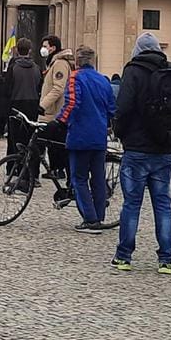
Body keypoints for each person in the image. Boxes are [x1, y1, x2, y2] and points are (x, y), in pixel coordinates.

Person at [112, 32, 171, 273]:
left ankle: (124, 256)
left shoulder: (133, 71)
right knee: (162, 204)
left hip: (136, 147)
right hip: (164, 148)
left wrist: (121, 134)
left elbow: (122, 108)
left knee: (132, 204)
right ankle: (166, 259)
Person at [58, 45, 117, 233]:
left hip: (80, 135)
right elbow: (111, 109)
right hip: (99, 136)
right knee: (98, 178)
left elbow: (73, 103)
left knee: (79, 178)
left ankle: (89, 219)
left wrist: (60, 121)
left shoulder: (75, 77)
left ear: (77, 61)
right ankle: (99, 215)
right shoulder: (103, 80)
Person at [38, 35, 76, 184]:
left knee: (44, 142)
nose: (43, 49)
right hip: (52, 111)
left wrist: (43, 105)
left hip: (54, 112)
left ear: (53, 48)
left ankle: (60, 173)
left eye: (45, 46)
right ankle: (59, 172)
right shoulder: (53, 63)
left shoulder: (59, 63)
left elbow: (58, 89)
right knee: (56, 144)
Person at [4, 37, 43, 156]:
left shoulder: (13, 67)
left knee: (14, 137)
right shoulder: (37, 68)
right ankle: (31, 166)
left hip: (15, 104)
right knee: (30, 137)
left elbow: (8, 89)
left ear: (17, 50)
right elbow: (40, 87)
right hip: (33, 104)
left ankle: (12, 164)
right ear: (30, 51)